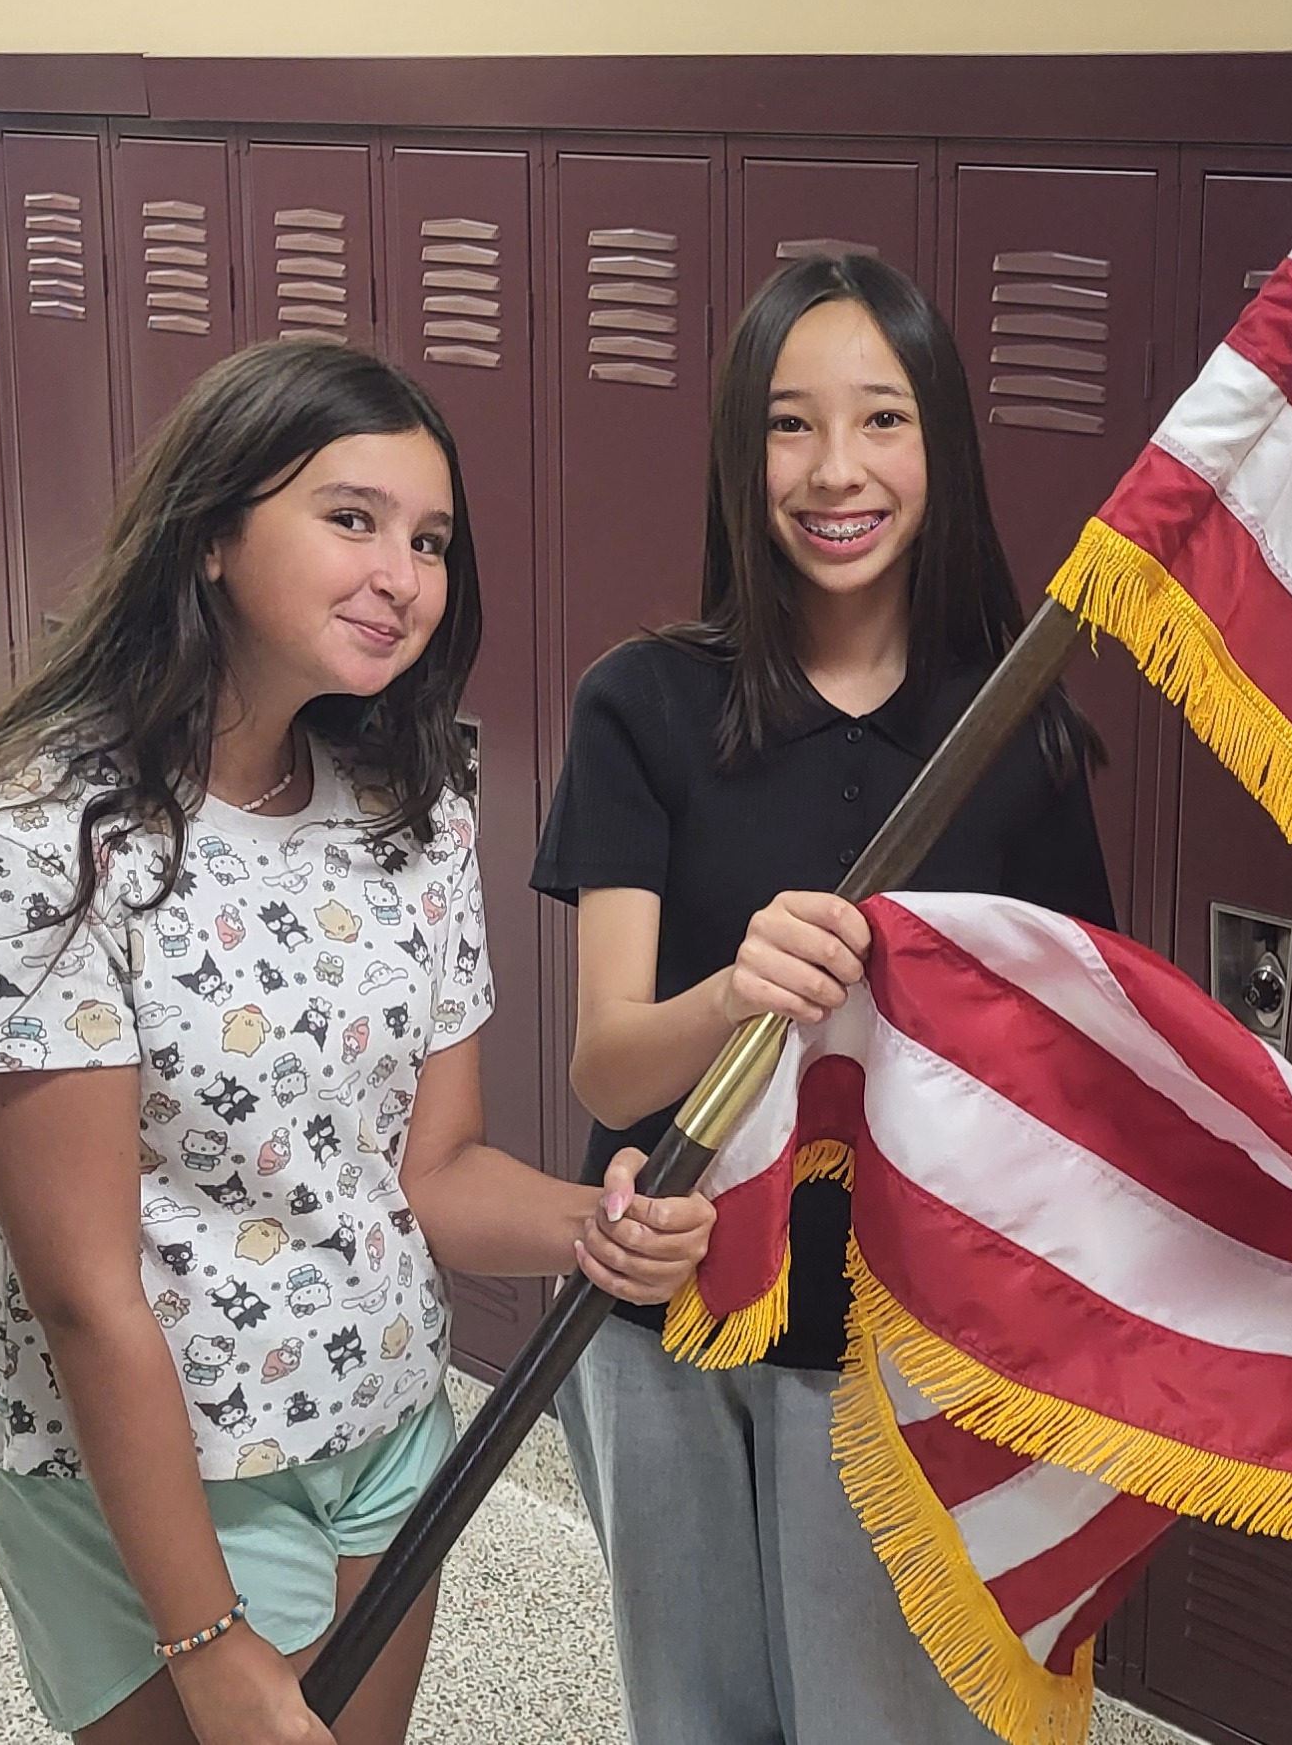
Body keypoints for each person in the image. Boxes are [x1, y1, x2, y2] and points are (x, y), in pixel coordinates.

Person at [0, 339, 715, 1745]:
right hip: (164, 1490)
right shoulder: (44, 855)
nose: (401, 575)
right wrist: (207, 1640)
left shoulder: (412, 815)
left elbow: (432, 1172)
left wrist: (592, 1223)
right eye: (351, 519)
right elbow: (86, 1298)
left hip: (385, 1437)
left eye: (430, 540)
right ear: (213, 536)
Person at [533, 254, 1118, 1743]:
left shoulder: (1013, 729)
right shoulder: (642, 705)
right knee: (698, 1714)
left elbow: (1075, 1076)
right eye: (790, 424)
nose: (835, 469)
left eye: (883, 419)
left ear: (942, 447)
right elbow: (609, 1069)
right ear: (742, 452)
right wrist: (735, 991)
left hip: (905, 1338)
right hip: (673, 1304)